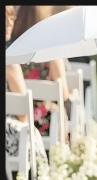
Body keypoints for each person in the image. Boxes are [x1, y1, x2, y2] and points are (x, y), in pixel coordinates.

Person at [11, 5, 71, 141]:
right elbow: (63, 94)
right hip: (44, 120)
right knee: (61, 110)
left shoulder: (10, 51)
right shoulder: (50, 52)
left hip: (16, 118)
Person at [6, 5, 47, 180]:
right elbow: (23, 114)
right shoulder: (9, 62)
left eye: (12, 18)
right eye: (5, 18)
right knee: (30, 134)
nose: (8, 23)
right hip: (9, 135)